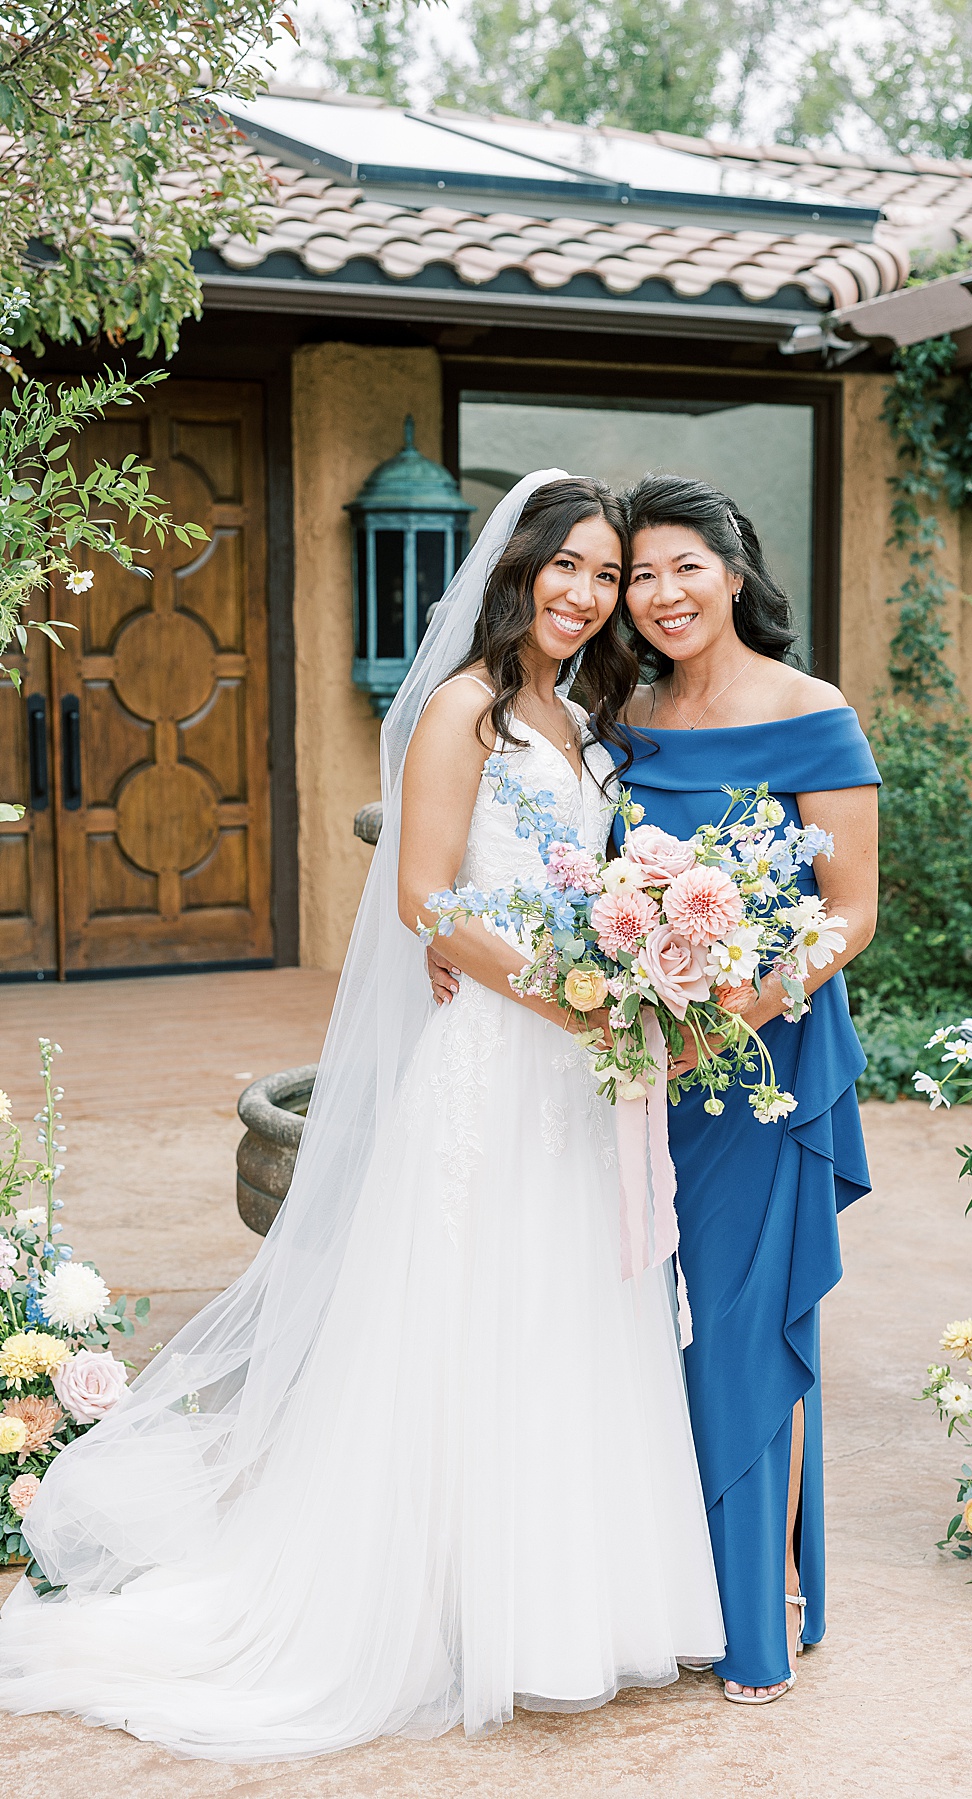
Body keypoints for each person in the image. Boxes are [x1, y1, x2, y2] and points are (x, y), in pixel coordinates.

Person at [0, 472, 724, 1761]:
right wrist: (576, 999)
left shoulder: (586, 713)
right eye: (569, 565)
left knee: (571, 1311)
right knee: (474, 1318)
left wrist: (640, 963)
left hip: (582, 1063)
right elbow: (426, 898)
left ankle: (571, 1605)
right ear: (519, 570)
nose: (588, 592)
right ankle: (446, 1605)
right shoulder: (463, 707)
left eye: (608, 576)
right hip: (504, 1062)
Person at [619, 474, 879, 1704]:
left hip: (761, 1066)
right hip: (633, 1061)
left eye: (684, 566)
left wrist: (738, 1011)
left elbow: (853, 912)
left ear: (734, 568)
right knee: (633, 1326)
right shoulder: (624, 716)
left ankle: (752, 1614)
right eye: (638, 574)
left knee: (737, 1323)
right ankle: (658, 1583)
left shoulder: (812, 709)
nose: (662, 594)